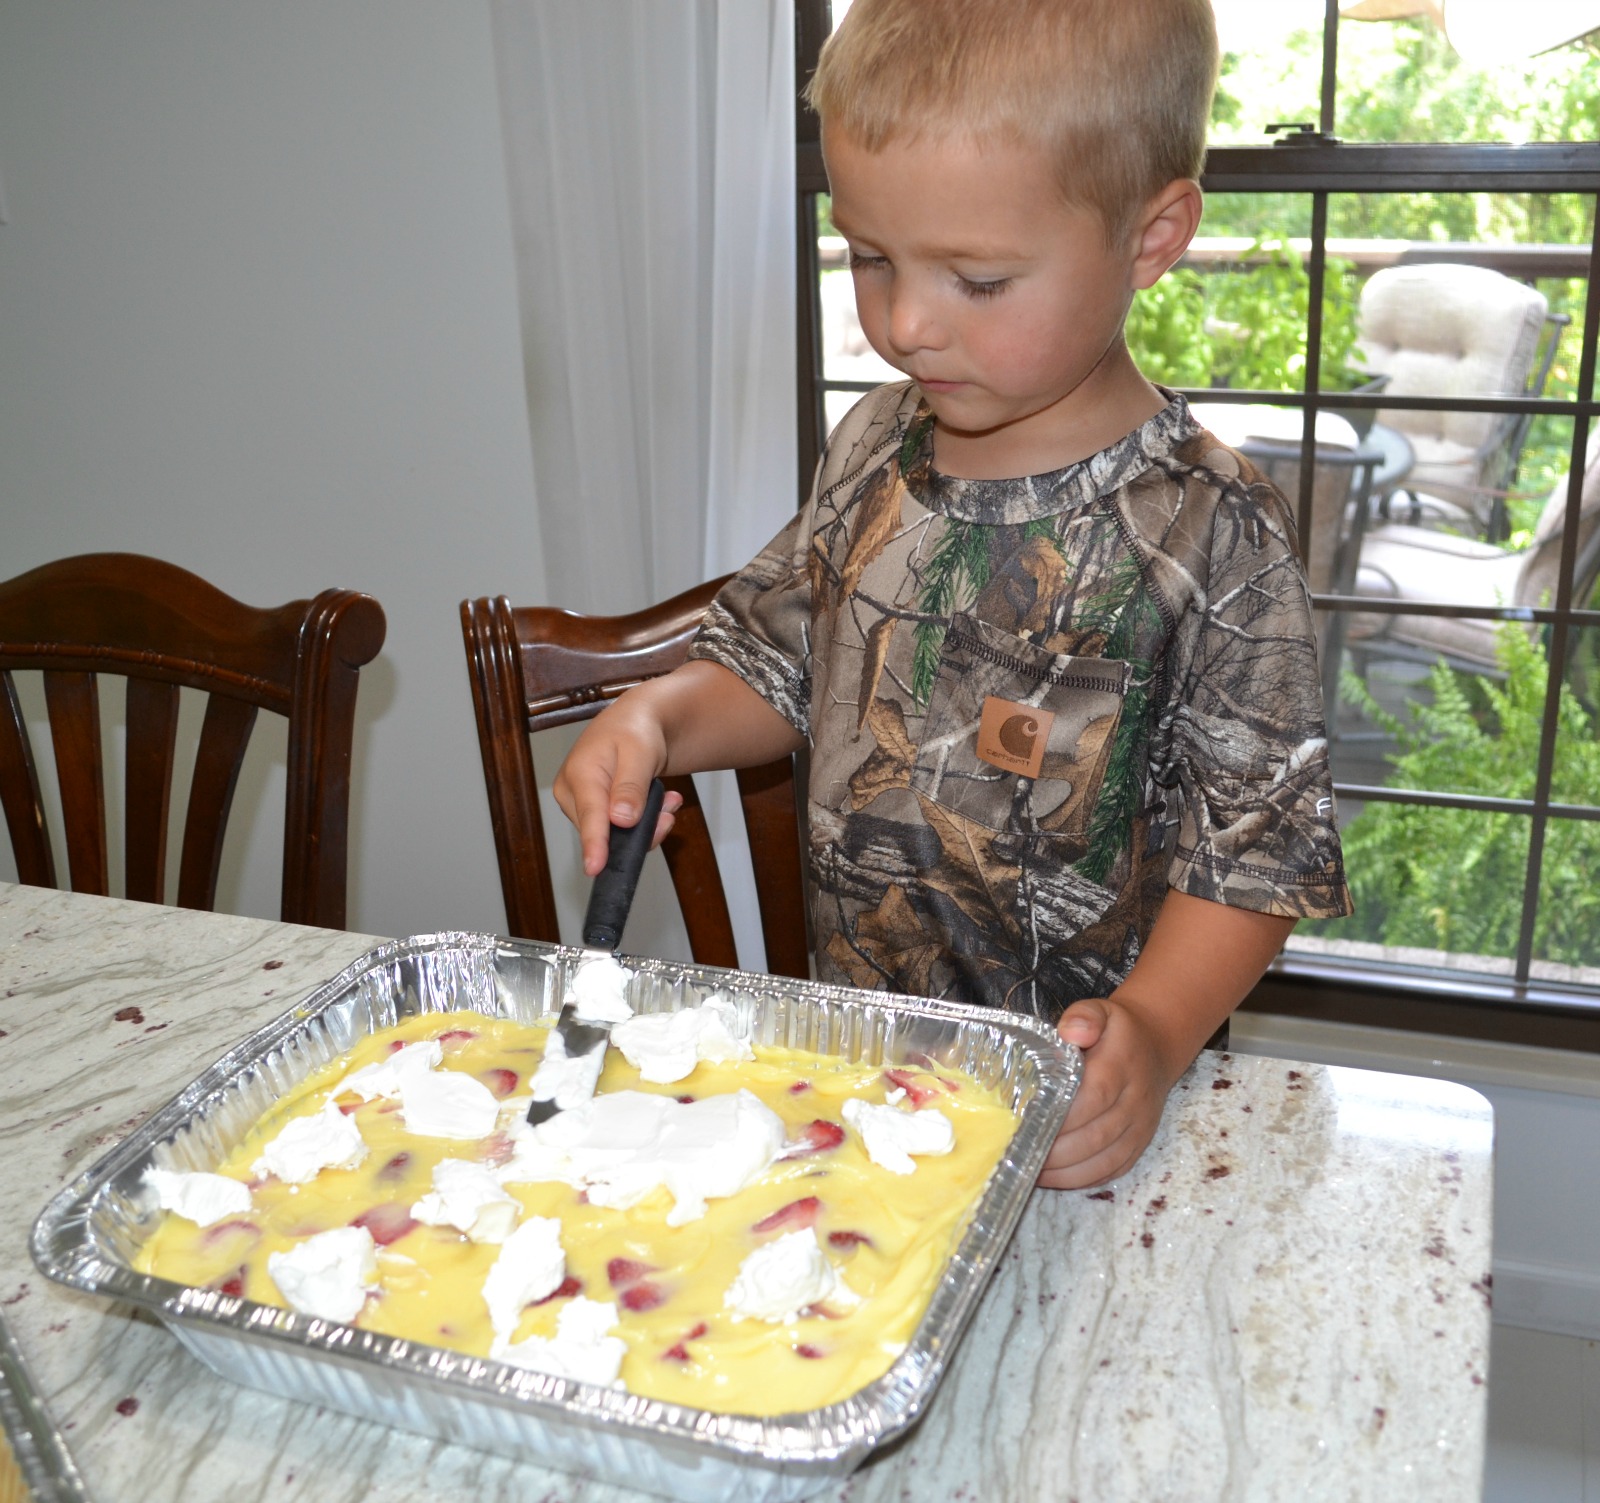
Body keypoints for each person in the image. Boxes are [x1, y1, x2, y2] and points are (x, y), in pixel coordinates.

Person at [554, 0, 1352, 1190]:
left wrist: (1152, 1032)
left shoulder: (1208, 528)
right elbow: (774, 672)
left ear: (1151, 236)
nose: (904, 323)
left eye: (976, 279)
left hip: (1071, 1136)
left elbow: (1254, 856)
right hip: (851, 1100)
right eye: (870, 257)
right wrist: (659, 720)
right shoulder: (876, 440)